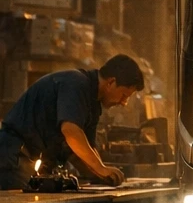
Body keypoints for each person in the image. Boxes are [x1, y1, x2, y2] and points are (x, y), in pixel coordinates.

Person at [0, 54, 145, 190]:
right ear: (111, 82)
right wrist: (101, 169)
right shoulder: (76, 84)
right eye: (124, 95)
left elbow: (82, 151)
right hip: (13, 157)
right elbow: (71, 131)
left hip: (30, 160)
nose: (124, 102)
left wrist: (104, 175)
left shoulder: (93, 104)